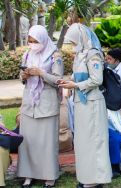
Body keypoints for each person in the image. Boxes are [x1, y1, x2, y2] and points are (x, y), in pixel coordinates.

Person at [61, 23, 112, 188]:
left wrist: (74, 86)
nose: (72, 45)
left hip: (92, 104)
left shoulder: (93, 55)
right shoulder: (80, 55)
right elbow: (79, 77)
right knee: (83, 142)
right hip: (81, 104)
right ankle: (86, 178)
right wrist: (70, 82)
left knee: (95, 141)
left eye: (74, 41)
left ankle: (97, 180)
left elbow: (97, 80)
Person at [17, 25, 63, 187]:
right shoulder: (27, 54)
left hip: (47, 105)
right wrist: (24, 75)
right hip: (30, 104)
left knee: (47, 143)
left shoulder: (55, 55)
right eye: (29, 41)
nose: (32, 44)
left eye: (35, 41)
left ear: (43, 39)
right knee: (28, 142)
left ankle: (49, 175)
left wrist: (41, 73)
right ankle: (28, 174)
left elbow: (58, 80)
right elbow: (22, 78)